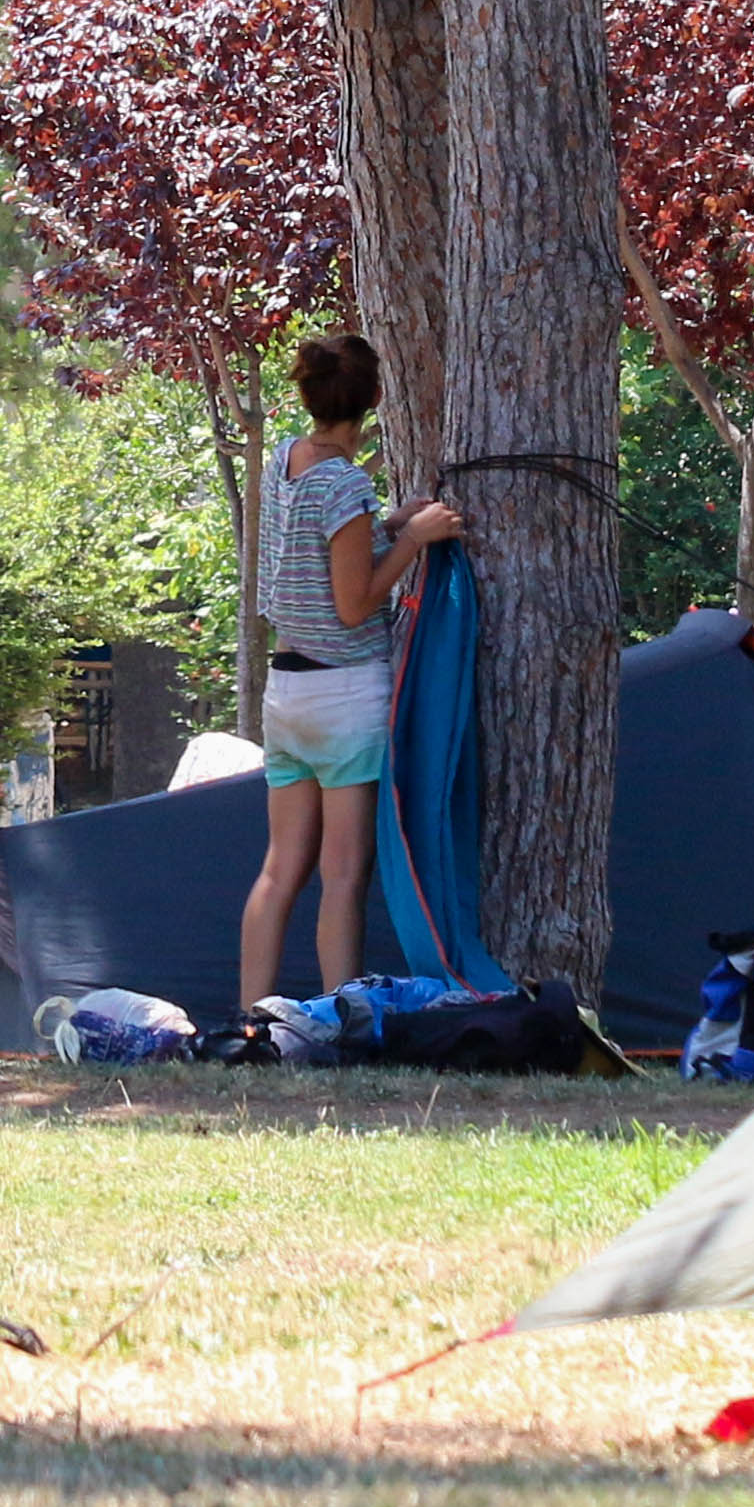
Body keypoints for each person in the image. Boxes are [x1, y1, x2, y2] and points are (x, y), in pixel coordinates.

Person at [241, 334, 463, 1011]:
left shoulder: (286, 461)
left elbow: (316, 554)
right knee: (342, 876)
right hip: (343, 696)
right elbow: (354, 604)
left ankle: (249, 1018)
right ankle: (340, 1018)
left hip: (285, 691)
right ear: (374, 400)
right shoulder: (346, 483)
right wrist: (415, 540)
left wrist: (386, 526)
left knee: (280, 869)